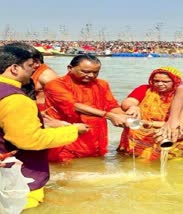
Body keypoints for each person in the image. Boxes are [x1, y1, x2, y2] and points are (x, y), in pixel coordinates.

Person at [0, 43, 88, 209]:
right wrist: (72, 131)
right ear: (14, 68)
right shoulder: (15, 99)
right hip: (16, 177)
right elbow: (30, 141)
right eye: (29, 66)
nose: (34, 70)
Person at [44, 54, 128, 162]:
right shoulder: (55, 85)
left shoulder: (102, 84)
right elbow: (74, 106)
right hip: (66, 140)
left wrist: (128, 116)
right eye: (85, 71)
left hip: (95, 140)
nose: (91, 75)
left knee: (96, 172)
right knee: (66, 174)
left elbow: (111, 106)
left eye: (95, 72)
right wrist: (108, 115)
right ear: (70, 68)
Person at [118, 66, 183, 160]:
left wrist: (151, 124)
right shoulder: (145, 89)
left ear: (176, 81)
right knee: (132, 162)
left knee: (169, 164)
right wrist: (133, 107)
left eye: (165, 82)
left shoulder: (182, 95)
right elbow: (128, 102)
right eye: (156, 81)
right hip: (138, 137)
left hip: (166, 133)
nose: (160, 84)